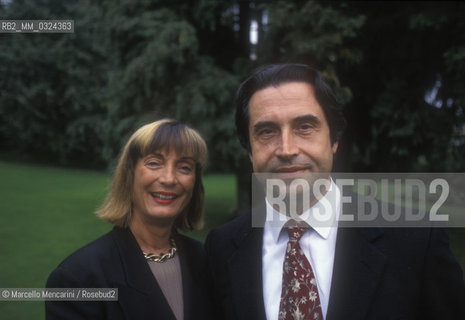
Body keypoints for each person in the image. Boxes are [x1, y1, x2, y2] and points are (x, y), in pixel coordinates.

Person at [205, 63, 465, 320]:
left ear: (334, 140)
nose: (286, 149)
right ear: (250, 151)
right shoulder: (222, 248)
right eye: (266, 131)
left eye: (304, 127)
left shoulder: (417, 239)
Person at [46, 119, 213, 320]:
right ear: (129, 174)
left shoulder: (207, 260)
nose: (169, 179)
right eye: (154, 163)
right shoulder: (78, 277)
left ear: (194, 182)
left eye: (184, 167)